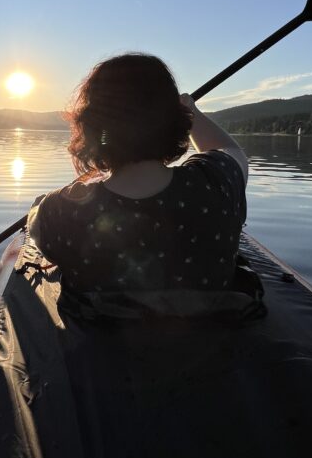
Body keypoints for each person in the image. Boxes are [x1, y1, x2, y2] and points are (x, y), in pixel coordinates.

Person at [28, 53, 247, 293]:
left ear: (91, 126)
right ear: (175, 120)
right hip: (215, 326)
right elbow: (229, 150)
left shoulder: (58, 211)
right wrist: (189, 110)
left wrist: (48, 202)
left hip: (101, 327)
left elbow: (37, 226)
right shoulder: (217, 180)